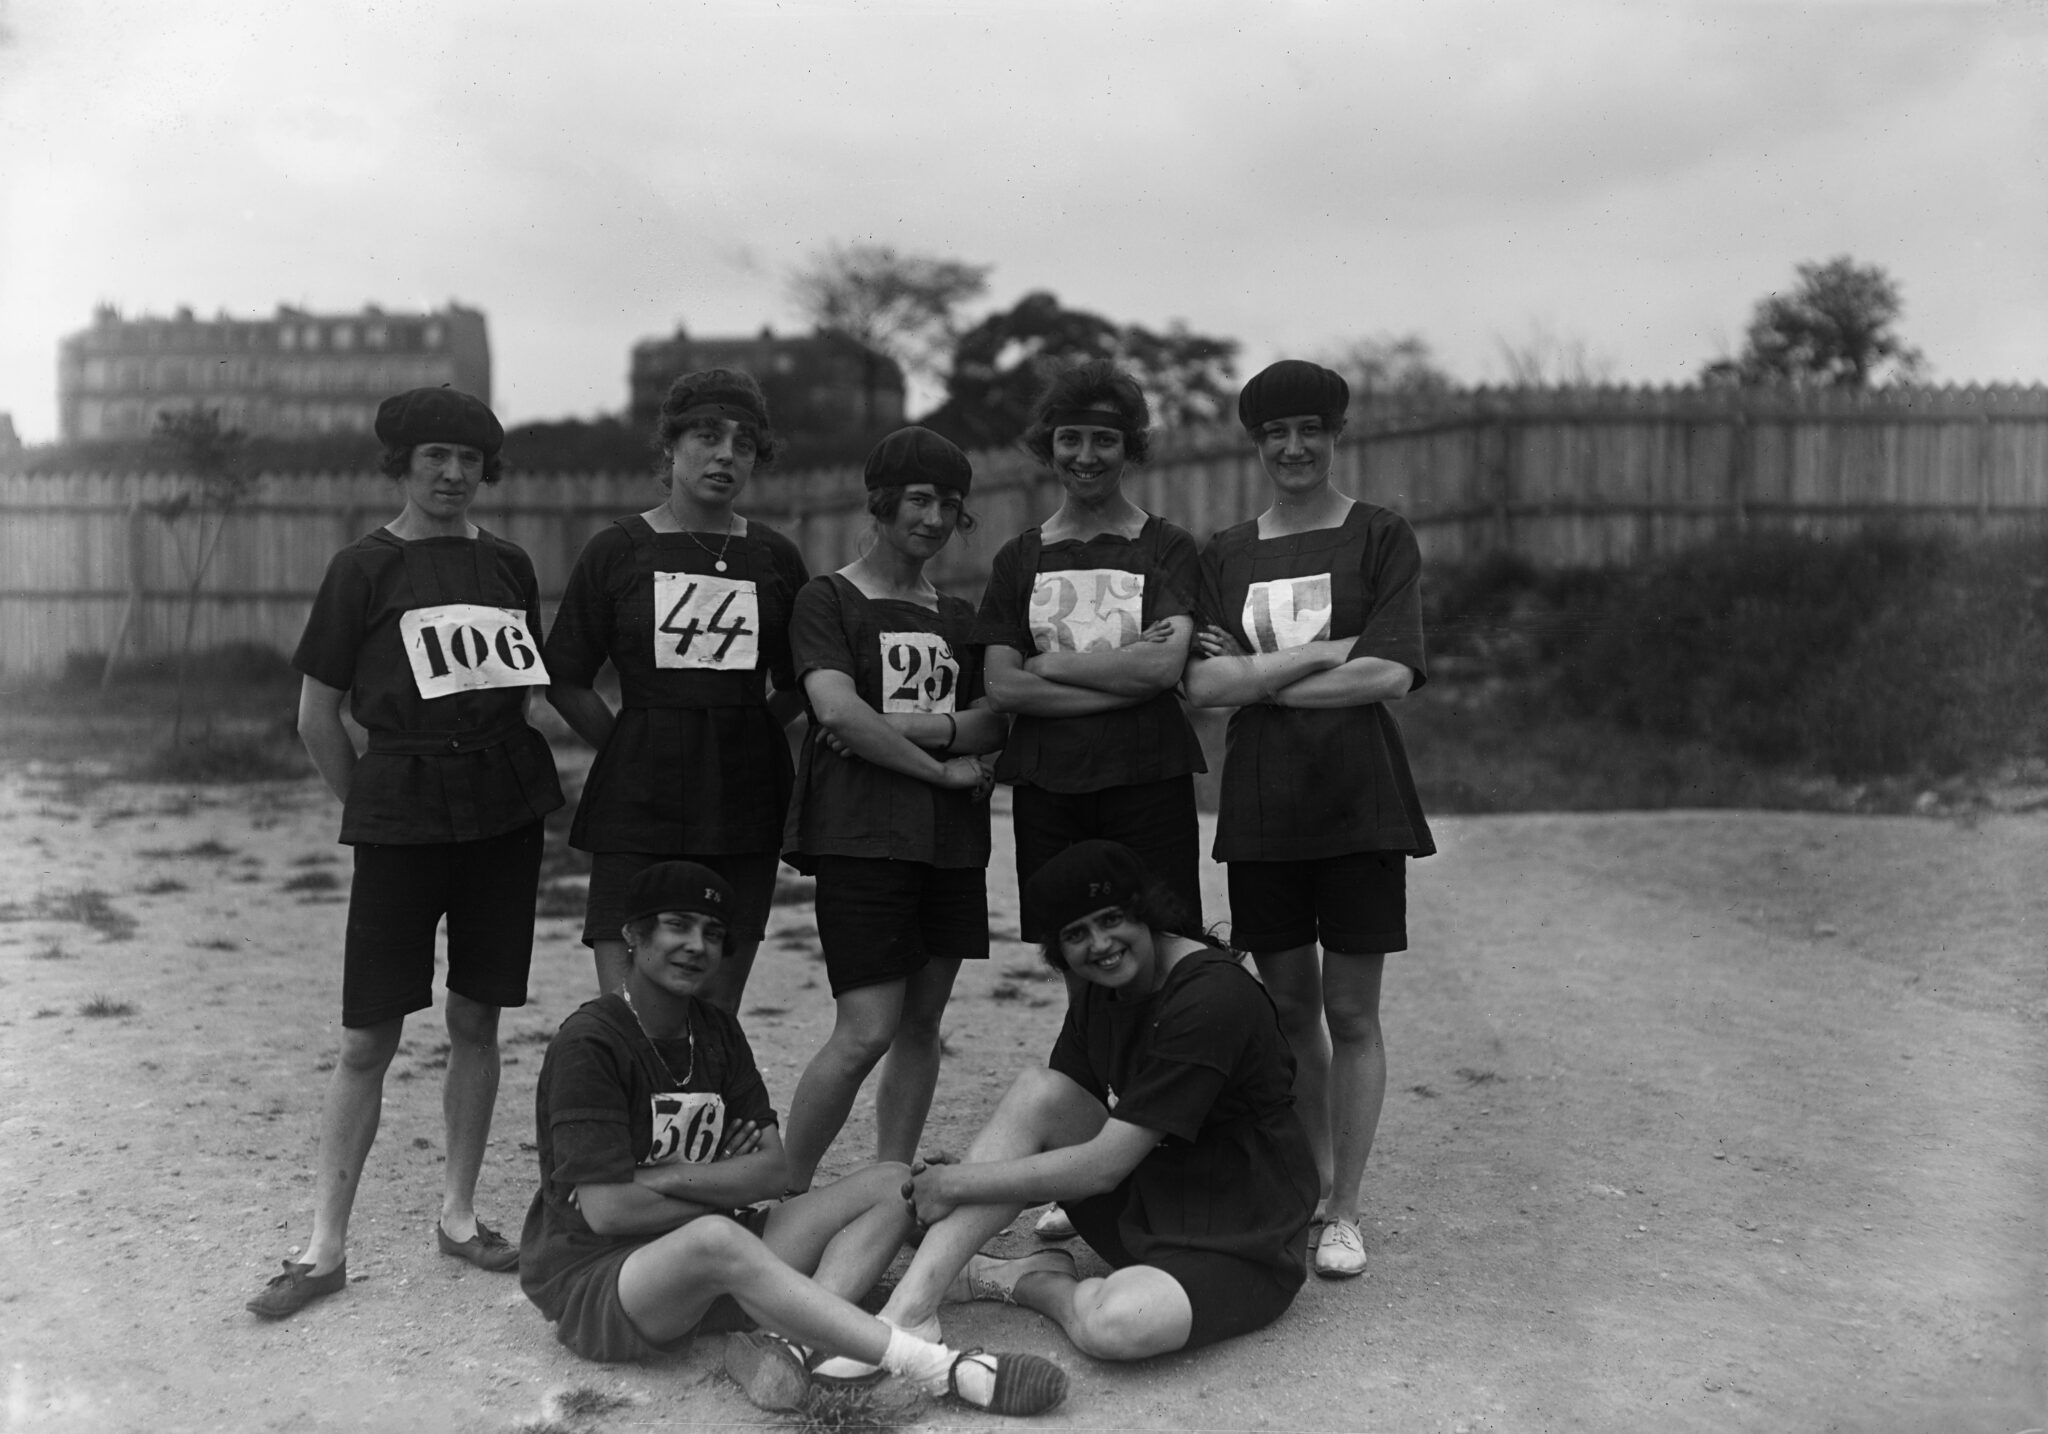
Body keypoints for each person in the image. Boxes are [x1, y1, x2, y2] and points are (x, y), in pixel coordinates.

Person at [521, 861, 1068, 1418]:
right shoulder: (591, 1043)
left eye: (712, 933)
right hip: (602, 1281)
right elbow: (608, 1211)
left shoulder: (715, 1030)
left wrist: (662, 1179)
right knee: (715, 1238)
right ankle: (934, 1367)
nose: (696, 945)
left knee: (895, 1182)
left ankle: (788, 1344)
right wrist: (720, 1187)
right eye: (677, 926)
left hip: (711, 1253)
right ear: (633, 936)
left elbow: (771, 1172)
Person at [248, 386, 565, 1319]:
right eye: (434, 457)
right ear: (403, 465)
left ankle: (460, 1217)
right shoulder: (363, 568)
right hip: (404, 813)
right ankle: (323, 1247)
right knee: (367, 1037)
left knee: (478, 1018)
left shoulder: (507, 564)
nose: (454, 474)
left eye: (469, 459)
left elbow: (521, 689)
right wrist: (379, 808)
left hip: (503, 813)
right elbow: (317, 716)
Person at [839, 840, 1317, 1367]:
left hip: (1243, 1236)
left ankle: (1025, 1281)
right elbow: (1048, 1118)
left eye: (1112, 919)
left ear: (1147, 912)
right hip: (1155, 1200)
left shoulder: (1210, 997)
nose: (1100, 945)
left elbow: (1102, 1168)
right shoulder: (1100, 986)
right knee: (1040, 1090)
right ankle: (909, 1315)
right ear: (1057, 950)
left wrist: (958, 1184)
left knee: (1114, 1326)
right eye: (1076, 935)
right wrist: (980, 1169)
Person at [1182, 359, 1433, 1279]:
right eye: (1274, 433)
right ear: (1255, 444)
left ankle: (1347, 1209)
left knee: (1350, 1008)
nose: (1294, 448)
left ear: (1336, 435)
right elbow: (1205, 687)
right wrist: (1329, 650)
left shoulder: (1379, 537)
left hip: (1360, 801)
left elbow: (1390, 674)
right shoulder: (1226, 552)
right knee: (1289, 1005)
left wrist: (1264, 681)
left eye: (1310, 430)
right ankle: (1309, 1182)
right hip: (1262, 807)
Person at [778, 427, 1005, 1192]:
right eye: (919, 499)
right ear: (881, 504)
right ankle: (783, 1190)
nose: (935, 518)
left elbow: (989, 722)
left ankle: (888, 1185)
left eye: (949, 504)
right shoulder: (828, 599)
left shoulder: (960, 616)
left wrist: (905, 729)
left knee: (920, 1023)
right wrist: (942, 772)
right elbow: (835, 712)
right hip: (865, 837)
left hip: (948, 846)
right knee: (865, 1029)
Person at [544, 368, 810, 1010]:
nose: (725, 454)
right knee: (629, 1007)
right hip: (638, 796)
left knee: (715, 1000)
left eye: (743, 443)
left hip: (742, 797)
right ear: (670, 446)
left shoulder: (774, 557)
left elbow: (803, 678)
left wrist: (748, 727)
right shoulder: (616, 549)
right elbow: (566, 678)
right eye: (706, 436)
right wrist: (631, 741)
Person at [977, 360, 1207, 944]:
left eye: (1104, 439)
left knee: (1164, 940)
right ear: (1048, 447)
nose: (1086, 455)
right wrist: (1124, 681)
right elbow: (1004, 688)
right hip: (1050, 790)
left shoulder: (1166, 545)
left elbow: (1161, 667)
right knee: (1073, 945)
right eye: (1070, 439)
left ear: (1129, 448)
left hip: (1149, 778)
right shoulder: (1019, 558)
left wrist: (1048, 665)